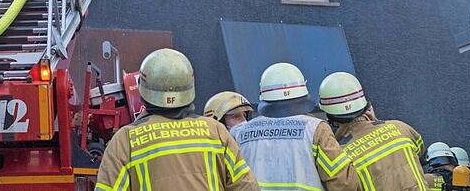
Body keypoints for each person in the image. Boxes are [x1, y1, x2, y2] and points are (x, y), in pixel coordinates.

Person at [96, 48, 260, 190]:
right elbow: (246, 186)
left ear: (143, 88)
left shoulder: (126, 141)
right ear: (190, 85)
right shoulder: (215, 131)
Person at [230, 63, 361, 191]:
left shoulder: (239, 133)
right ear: (303, 92)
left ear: (263, 94)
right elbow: (344, 184)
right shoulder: (315, 129)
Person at [319, 72, 428, 190]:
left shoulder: (342, 157)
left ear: (331, 120)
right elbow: (420, 152)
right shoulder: (401, 128)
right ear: (367, 107)